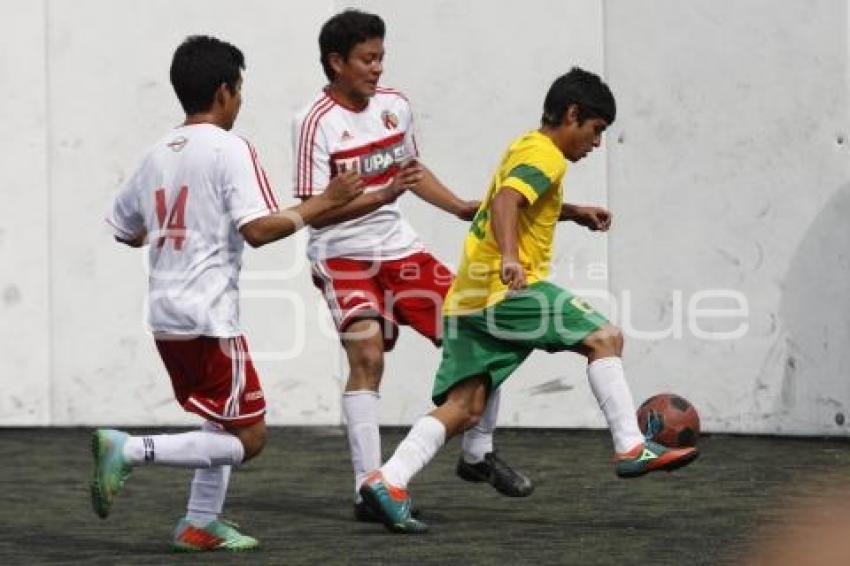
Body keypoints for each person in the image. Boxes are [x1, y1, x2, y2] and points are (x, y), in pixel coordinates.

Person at [359, 67, 700, 533]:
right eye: (596, 131)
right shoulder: (548, 157)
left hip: (467, 299)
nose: (597, 143)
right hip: (507, 291)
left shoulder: (527, 145)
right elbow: (504, 204)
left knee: (464, 407)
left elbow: (514, 198)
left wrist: (574, 212)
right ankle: (630, 445)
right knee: (605, 338)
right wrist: (511, 258)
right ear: (573, 114)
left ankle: (388, 480)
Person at [92, 35, 364, 551]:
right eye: (239, 90)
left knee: (219, 419)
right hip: (209, 315)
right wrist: (322, 202)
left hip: (166, 314)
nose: (240, 101)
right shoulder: (230, 148)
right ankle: (127, 450)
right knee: (248, 438)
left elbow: (126, 229)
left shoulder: (156, 154)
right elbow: (258, 230)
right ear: (224, 91)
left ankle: (200, 522)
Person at [292, 9, 534, 522]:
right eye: (367, 58)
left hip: (401, 251)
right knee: (368, 354)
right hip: (343, 256)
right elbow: (316, 207)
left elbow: (410, 173)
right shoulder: (313, 122)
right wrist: (382, 193)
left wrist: (461, 206)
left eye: (381, 56)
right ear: (336, 62)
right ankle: (368, 488)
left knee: (480, 331)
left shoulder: (394, 106)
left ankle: (477, 453)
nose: (377, 68)